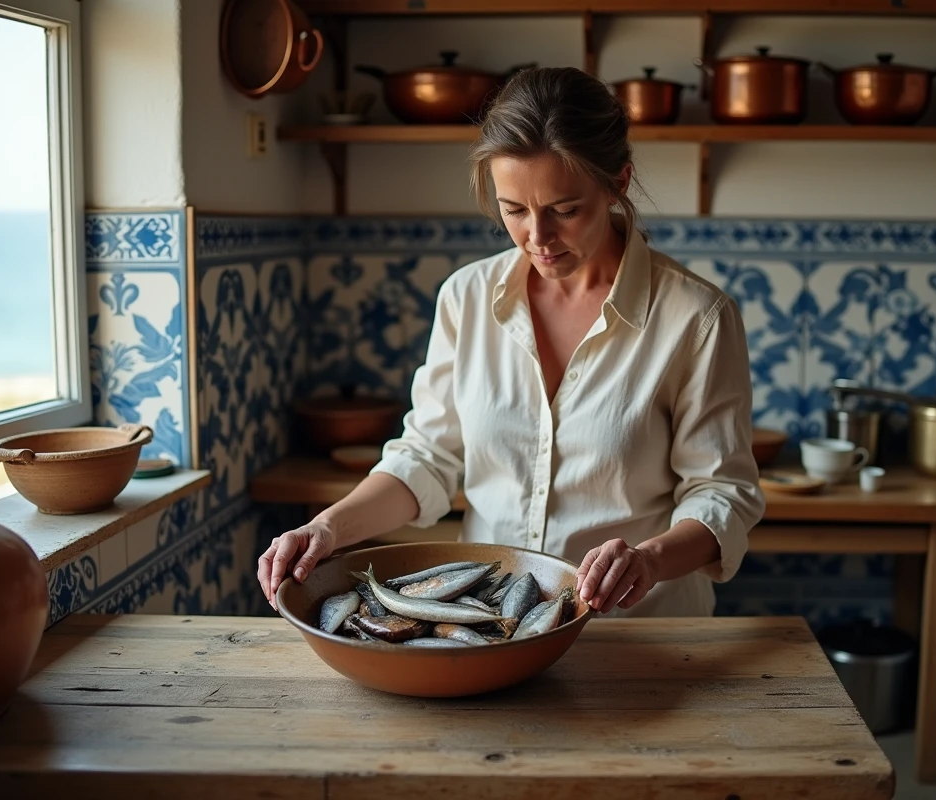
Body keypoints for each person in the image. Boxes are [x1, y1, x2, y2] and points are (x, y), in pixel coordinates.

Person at [258, 66, 765, 617]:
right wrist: (327, 528)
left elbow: (722, 494)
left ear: (618, 182)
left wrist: (648, 560)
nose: (538, 239)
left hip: (638, 632)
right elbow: (426, 458)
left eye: (565, 211)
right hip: (491, 626)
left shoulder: (696, 317)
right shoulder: (467, 298)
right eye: (514, 210)